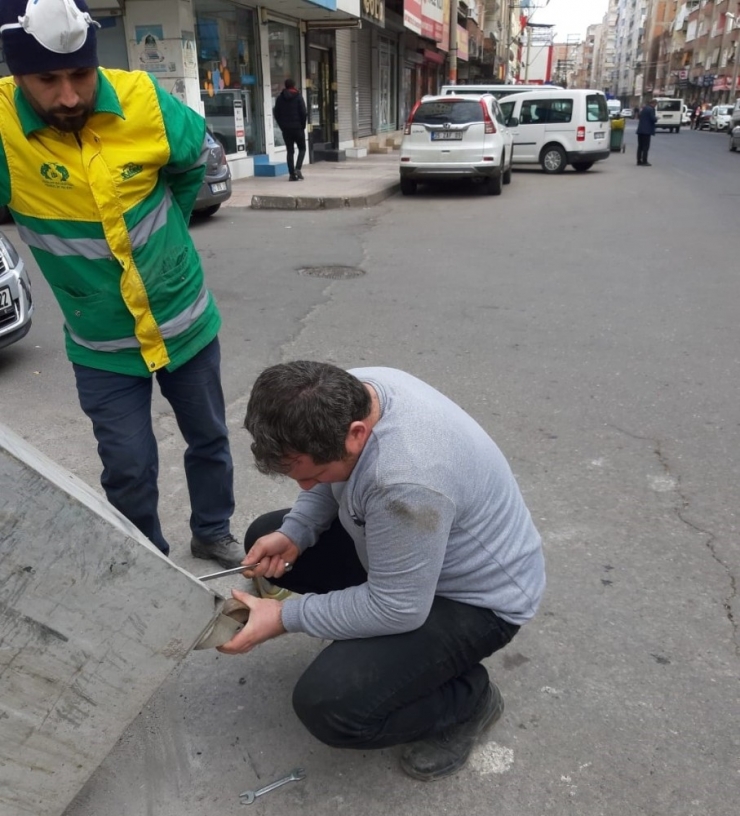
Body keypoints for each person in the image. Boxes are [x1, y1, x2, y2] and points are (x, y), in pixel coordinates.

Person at [0, 0, 242, 568]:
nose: (68, 96)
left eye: (81, 74)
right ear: (15, 73)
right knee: (128, 464)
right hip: (102, 344)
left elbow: (192, 161)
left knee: (209, 438)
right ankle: (146, 564)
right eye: (47, 79)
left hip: (185, 321)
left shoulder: (141, 98)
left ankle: (213, 529)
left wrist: (172, 243)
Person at [220, 361, 546, 781]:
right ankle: (394, 657)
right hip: (409, 549)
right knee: (268, 536)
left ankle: (469, 701)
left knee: (329, 705)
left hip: (477, 600)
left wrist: (284, 617)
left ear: (356, 434)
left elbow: (398, 608)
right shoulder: (352, 391)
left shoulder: (405, 480)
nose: (308, 487)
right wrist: (297, 531)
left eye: (314, 475)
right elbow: (330, 485)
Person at [273, 79, 307, 182]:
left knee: (290, 151)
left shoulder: (280, 98)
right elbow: (303, 112)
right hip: (298, 128)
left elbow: (276, 113)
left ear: (285, 86)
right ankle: (298, 169)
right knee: (302, 148)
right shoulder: (298, 96)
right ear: (294, 85)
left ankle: (292, 175)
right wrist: (302, 126)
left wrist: (282, 126)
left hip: (286, 130)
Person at [636, 98, 657, 166]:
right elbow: (653, 119)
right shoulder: (651, 109)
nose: (655, 106)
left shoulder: (644, 108)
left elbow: (639, 116)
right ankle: (644, 161)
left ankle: (639, 160)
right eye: (655, 104)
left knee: (640, 146)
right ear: (653, 104)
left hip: (640, 130)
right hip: (647, 131)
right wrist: (656, 118)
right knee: (646, 147)